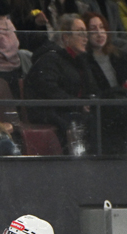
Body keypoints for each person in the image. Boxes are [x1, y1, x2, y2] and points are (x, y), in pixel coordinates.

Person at [23, 15, 98, 153]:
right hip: (49, 112)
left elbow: (90, 89)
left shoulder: (80, 61)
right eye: (80, 32)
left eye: (85, 33)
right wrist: (78, 104)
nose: (85, 38)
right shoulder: (50, 59)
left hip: (70, 109)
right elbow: (48, 90)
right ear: (66, 37)